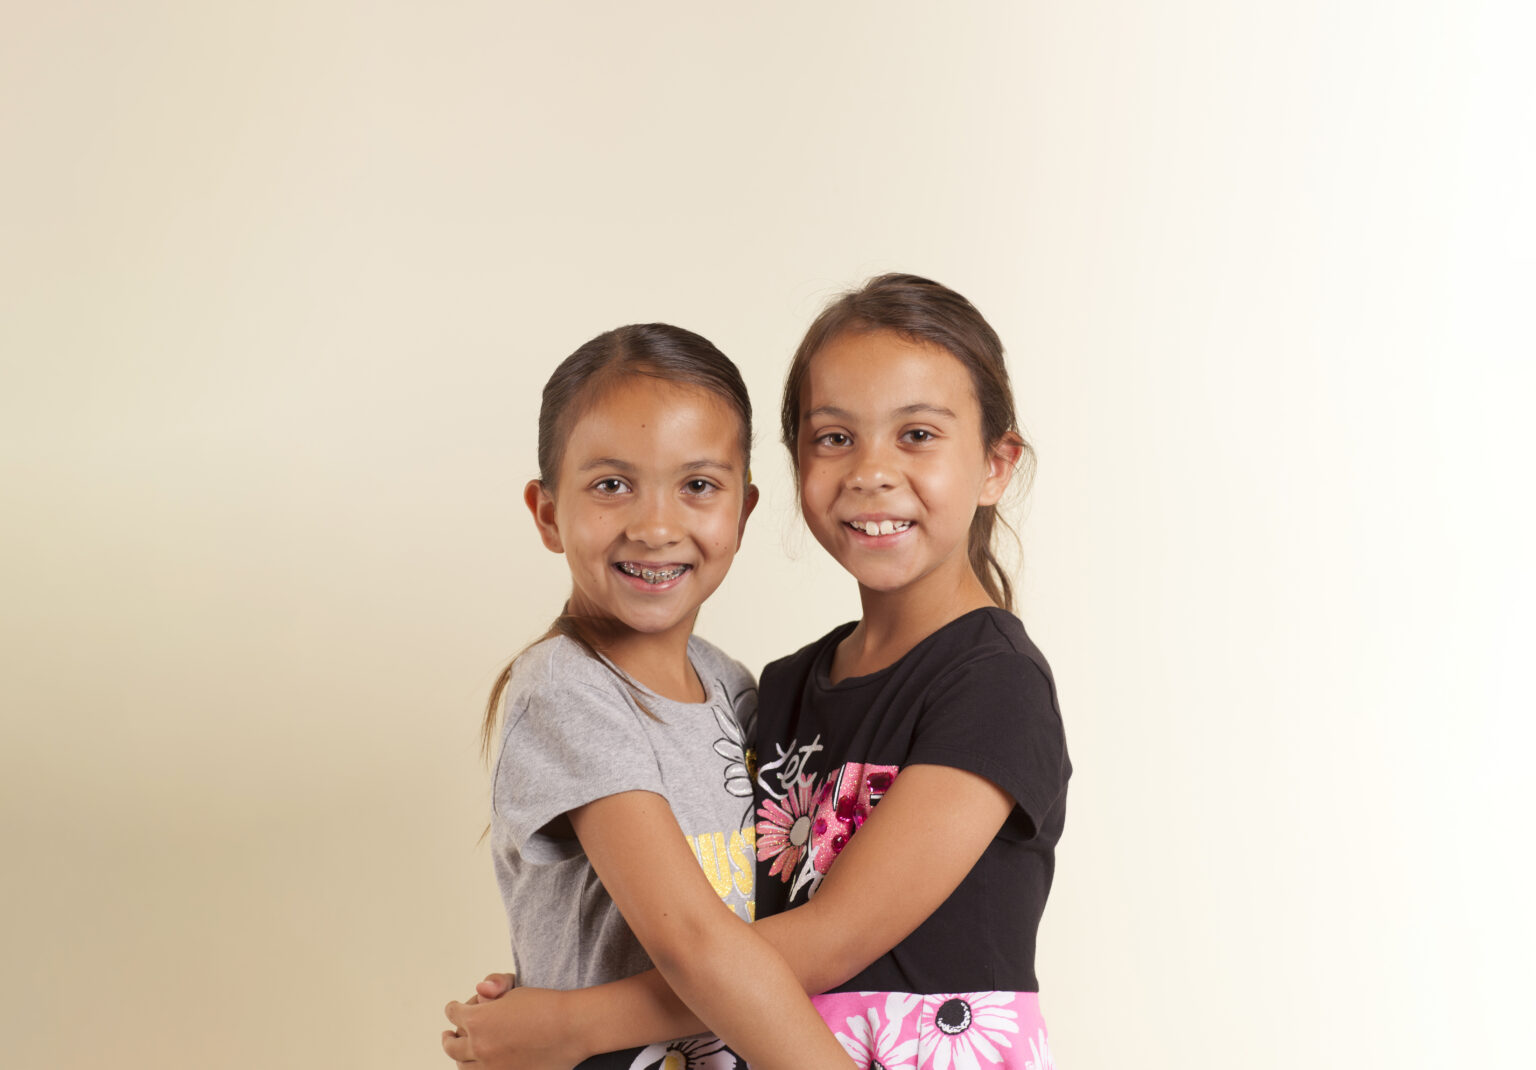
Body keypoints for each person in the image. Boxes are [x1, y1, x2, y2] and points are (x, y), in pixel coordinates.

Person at [448, 276, 1069, 1069]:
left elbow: (825, 938)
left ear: (995, 464)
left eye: (917, 434)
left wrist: (576, 1020)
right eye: (834, 437)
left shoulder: (995, 686)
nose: (872, 472)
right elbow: (714, 924)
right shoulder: (772, 693)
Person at [440, 324, 855, 1070]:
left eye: (697, 486)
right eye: (611, 485)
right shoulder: (567, 686)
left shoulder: (732, 688)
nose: (656, 525)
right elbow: (692, 944)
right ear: (546, 513)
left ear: (743, 513)